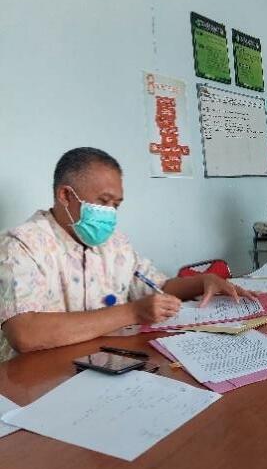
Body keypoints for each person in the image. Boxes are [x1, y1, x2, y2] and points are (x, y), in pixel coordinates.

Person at [0, 147, 253, 361]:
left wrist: (204, 281)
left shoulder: (115, 243)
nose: (110, 213)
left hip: (108, 363)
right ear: (66, 195)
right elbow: (25, 333)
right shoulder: (21, 245)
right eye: (103, 201)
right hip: (38, 379)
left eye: (116, 205)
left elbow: (158, 287)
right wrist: (132, 312)